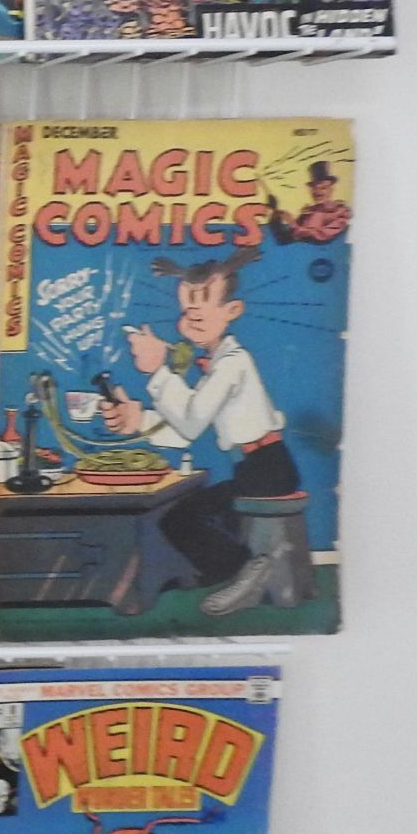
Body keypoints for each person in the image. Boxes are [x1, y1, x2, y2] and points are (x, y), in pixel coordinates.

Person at [98, 246, 300, 617]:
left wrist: (158, 372)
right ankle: (223, 570)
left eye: (203, 303)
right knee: (181, 516)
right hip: (253, 467)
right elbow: (186, 430)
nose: (192, 313)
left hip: (268, 470)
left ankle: (248, 569)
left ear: (232, 310)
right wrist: (137, 421)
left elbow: (190, 424)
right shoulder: (218, 363)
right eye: (187, 305)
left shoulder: (233, 363)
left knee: (184, 518)